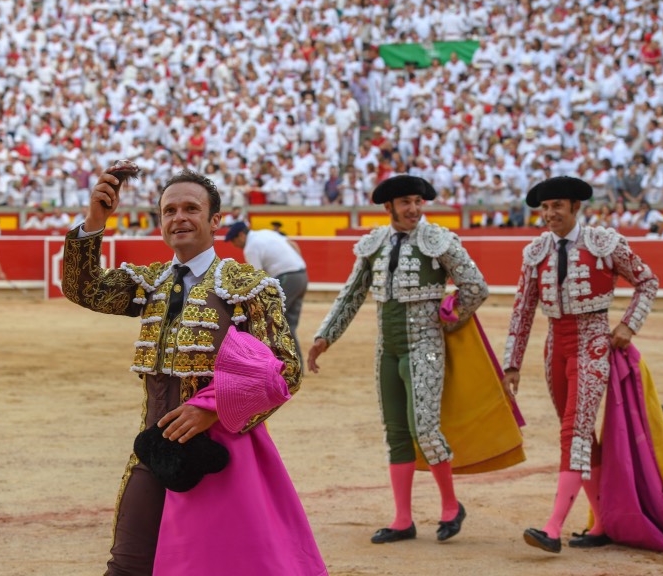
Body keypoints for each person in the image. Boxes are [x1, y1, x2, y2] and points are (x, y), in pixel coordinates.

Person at [61, 167, 320, 575]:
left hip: (218, 452)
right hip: (152, 450)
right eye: (169, 210)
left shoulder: (250, 285)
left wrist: (213, 407)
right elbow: (85, 288)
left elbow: (286, 370)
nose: (179, 217)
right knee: (127, 563)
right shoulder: (150, 283)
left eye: (190, 208)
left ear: (215, 220)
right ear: (160, 221)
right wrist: (95, 221)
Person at [307, 174, 491, 544]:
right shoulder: (373, 244)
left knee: (424, 429)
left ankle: (451, 507)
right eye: (406, 202)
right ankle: (403, 519)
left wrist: (451, 317)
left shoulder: (437, 239)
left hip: (425, 347)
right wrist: (325, 336)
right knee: (396, 433)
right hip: (387, 351)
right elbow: (351, 294)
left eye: (418, 202)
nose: (414, 209)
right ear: (388, 206)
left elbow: (475, 286)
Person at [501, 176, 659, 553]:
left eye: (557, 206)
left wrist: (627, 325)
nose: (550, 214)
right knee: (582, 436)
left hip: (593, 344)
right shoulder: (535, 252)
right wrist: (511, 365)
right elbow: (522, 311)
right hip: (555, 346)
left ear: (576, 207)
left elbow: (647, 282)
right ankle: (602, 523)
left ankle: (553, 528)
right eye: (545, 207)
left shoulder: (605, 244)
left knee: (573, 433)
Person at [225, 221, 308, 356]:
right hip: (302, 275)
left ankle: (273, 362)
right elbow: (294, 244)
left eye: (234, 241)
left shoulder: (251, 247)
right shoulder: (265, 233)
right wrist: (298, 265)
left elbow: (257, 279)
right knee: (288, 324)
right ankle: (295, 366)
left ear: (241, 235)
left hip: (287, 278)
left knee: (270, 320)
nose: (234, 245)